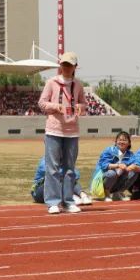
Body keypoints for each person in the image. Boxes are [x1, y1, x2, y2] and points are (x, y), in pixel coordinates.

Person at [38, 52, 87, 214]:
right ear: (60, 65)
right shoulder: (51, 82)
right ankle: (53, 202)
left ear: (75, 67)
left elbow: (83, 104)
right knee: (52, 168)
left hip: (72, 131)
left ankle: (68, 201)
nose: (66, 67)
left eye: (69, 65)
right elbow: (42, 103)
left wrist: (81, 108)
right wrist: (55, 106)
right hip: (54, 130)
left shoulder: (78, 85)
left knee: (70, 168)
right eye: (64, 64)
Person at [93, 131, 137, 201]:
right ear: (116, 141)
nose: (122, 142)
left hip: (116, 180)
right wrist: (118, 165)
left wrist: (133, 167)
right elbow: (104, 165)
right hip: (102, 181)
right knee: (112, 173)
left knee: (134, 172)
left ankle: (118, 193)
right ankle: (106, 194)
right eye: (120, 140)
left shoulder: (130, 154)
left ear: (129, 143)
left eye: (124, 140)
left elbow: (136, 164)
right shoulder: (109, 150)